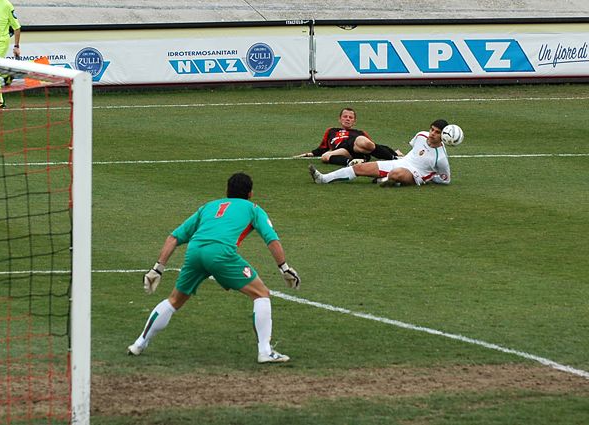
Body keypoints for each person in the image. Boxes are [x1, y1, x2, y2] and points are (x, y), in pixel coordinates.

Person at [127, 172, 301, 364]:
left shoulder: (208, 207)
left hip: (194, 252)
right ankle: (265, 351)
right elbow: (271, 239)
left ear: (226, 191)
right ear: (251, 193)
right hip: (221, 254)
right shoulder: (253, 209)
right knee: (261, 294)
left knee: (175, 300)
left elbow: (174, 237)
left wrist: (157, 269)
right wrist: (284, 267)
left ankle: (139, 343)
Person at [308, 119, 451, 187]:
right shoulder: (421, 135)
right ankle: (323, 179)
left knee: (398, 173)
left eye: (437, 132)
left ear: (443, 135)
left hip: (415, 174)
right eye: (432, 129)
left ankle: (390, 180)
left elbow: (446, 179)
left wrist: (429, 177)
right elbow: (414, 149)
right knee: (360, 168)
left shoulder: (441, 158)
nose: (432, 133)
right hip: (401, 162)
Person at [294, 107, 403, 166]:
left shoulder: (359, 132)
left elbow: (374, 146)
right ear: (340, 119)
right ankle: (350, 163)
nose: (347, 119)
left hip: (355, 145)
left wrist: (392, 151)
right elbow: (322, 148)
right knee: (325, 156)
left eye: (351, 117)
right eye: (345, 116)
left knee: (364, 143)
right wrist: (309, 154)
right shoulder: (331, 131)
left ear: (354, 121)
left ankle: (395, 157)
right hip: (343, 150)